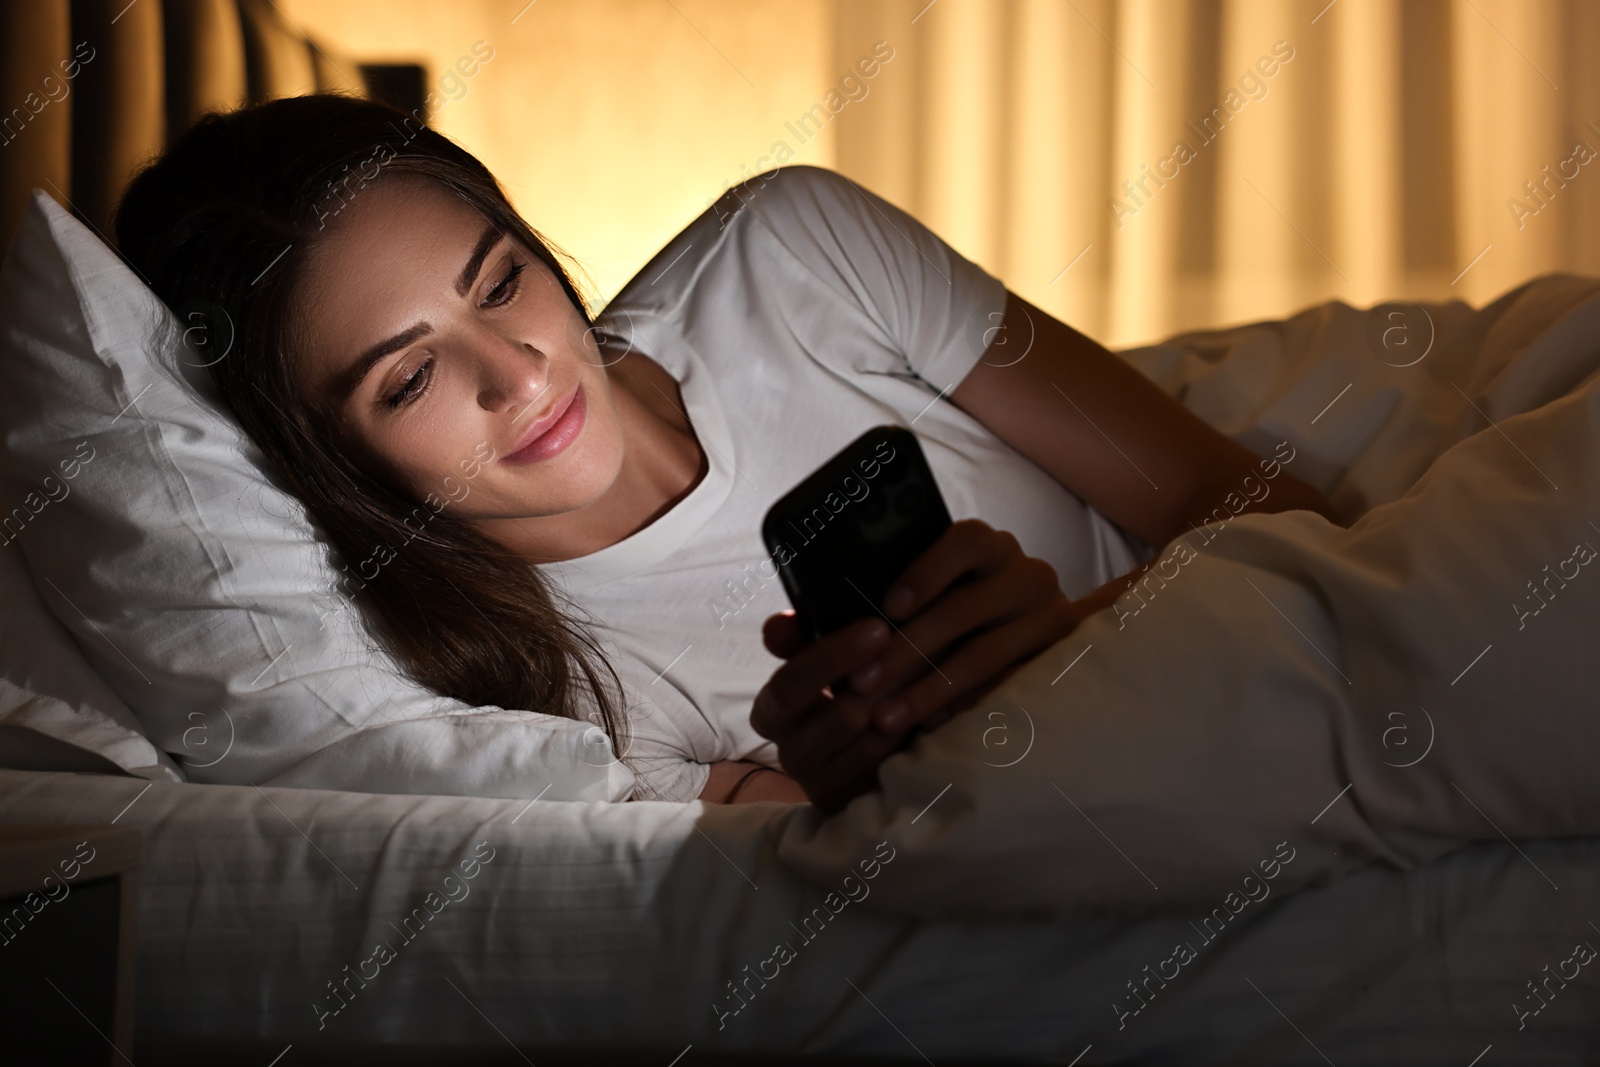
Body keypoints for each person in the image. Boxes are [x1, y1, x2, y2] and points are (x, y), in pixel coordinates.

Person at [114, 94, 1338, 812]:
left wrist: (1076, 635)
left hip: (1283, 675)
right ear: (325, 462)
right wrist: (847, 797)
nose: (522, 371)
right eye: (413, 376)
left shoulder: (797, 247)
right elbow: (865, 922)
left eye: (502, 280)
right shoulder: (546, 702)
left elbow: (1259, 505)